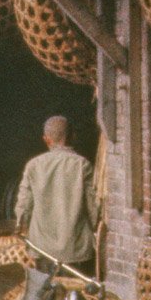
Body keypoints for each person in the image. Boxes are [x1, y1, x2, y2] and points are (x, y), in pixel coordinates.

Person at [15, 115, 99, 275]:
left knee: (47, 294)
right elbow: (93, 208)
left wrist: (20, 226)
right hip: (76, 248)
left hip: (42, 249)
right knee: (75, 295)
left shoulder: (33, 166)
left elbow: (24, 205)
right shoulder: (82, 165)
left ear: (46, 139)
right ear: (72, 137)